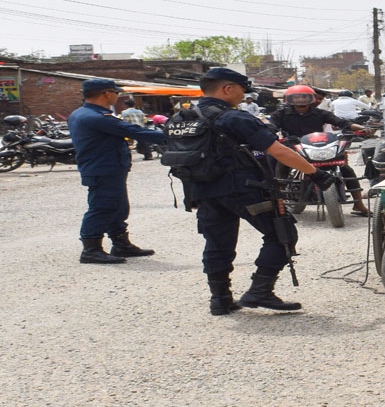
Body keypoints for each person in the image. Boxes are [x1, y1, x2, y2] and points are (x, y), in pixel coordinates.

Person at [184, 68, 338, 315]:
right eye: (242, 91)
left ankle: (220, 299)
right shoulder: (232, 118)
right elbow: (278, 150)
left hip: (202, 191)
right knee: (282, 234)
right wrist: (315, 173)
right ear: (228, 88)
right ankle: (260, 291)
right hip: (244, 189)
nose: (244, 96)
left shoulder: (182, 118)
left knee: (217, 245)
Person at [67, 79, 166, 264]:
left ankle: (121, 244)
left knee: (118, 207)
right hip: (103, 168)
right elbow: (135, 132)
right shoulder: (96, 117)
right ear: (106, 93)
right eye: (116, 92)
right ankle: (91, 249)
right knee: (102, 207)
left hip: (107, 167)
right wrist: (178, 135)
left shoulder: (82, 113)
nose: (117, 96)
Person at [270, 85, 371, 215]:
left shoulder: (320, 113)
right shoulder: (280, 114)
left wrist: (362, 128)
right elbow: (272, 126)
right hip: (293, 146)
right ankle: (280, 200)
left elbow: (341, 122)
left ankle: (358, 204)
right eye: (296, 98)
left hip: (319, 145)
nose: (300, 100)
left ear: (312, 99)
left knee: (345, 168)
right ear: (288, 99)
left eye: (304, 97)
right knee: (282, 164)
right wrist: (268, 132)